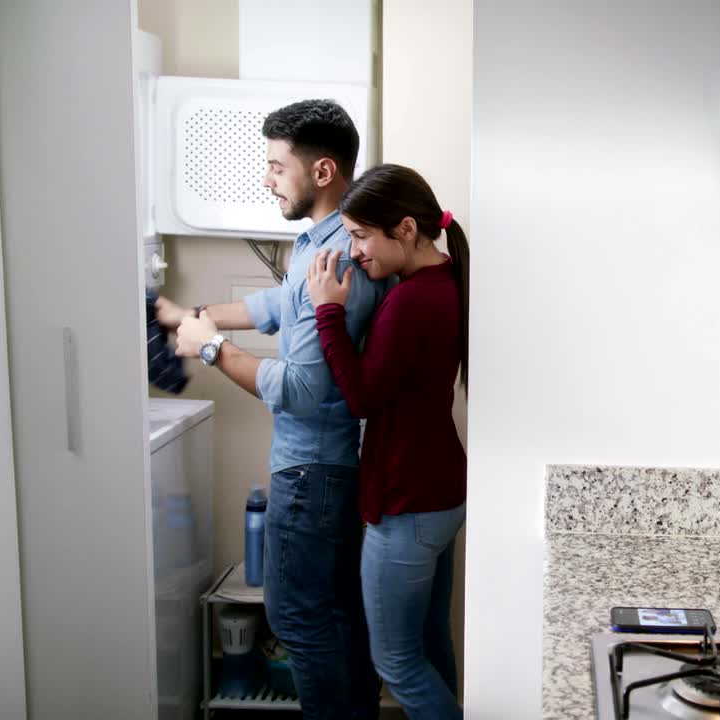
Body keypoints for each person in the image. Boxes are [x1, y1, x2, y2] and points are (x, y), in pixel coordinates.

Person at [163, 99, 386, 720]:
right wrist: (193, 314)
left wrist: (209, 348)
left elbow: (301, 388)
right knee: (336, 619)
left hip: (312, 470)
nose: (266, 179)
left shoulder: (333, 254)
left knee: (300, 620)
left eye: (275, 166)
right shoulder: (328, 240)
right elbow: (279, 305)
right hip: (329, 468)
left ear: (321, 171)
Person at [306, 164, 469, 719]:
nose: (353, 252)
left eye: (359, 236)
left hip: (408, 503)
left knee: (397, 663)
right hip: (441, 494)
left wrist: (327, 311)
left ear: (404, 229)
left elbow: (362, 399)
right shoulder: (446, 280)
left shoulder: (410, 302)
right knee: (429, 646)